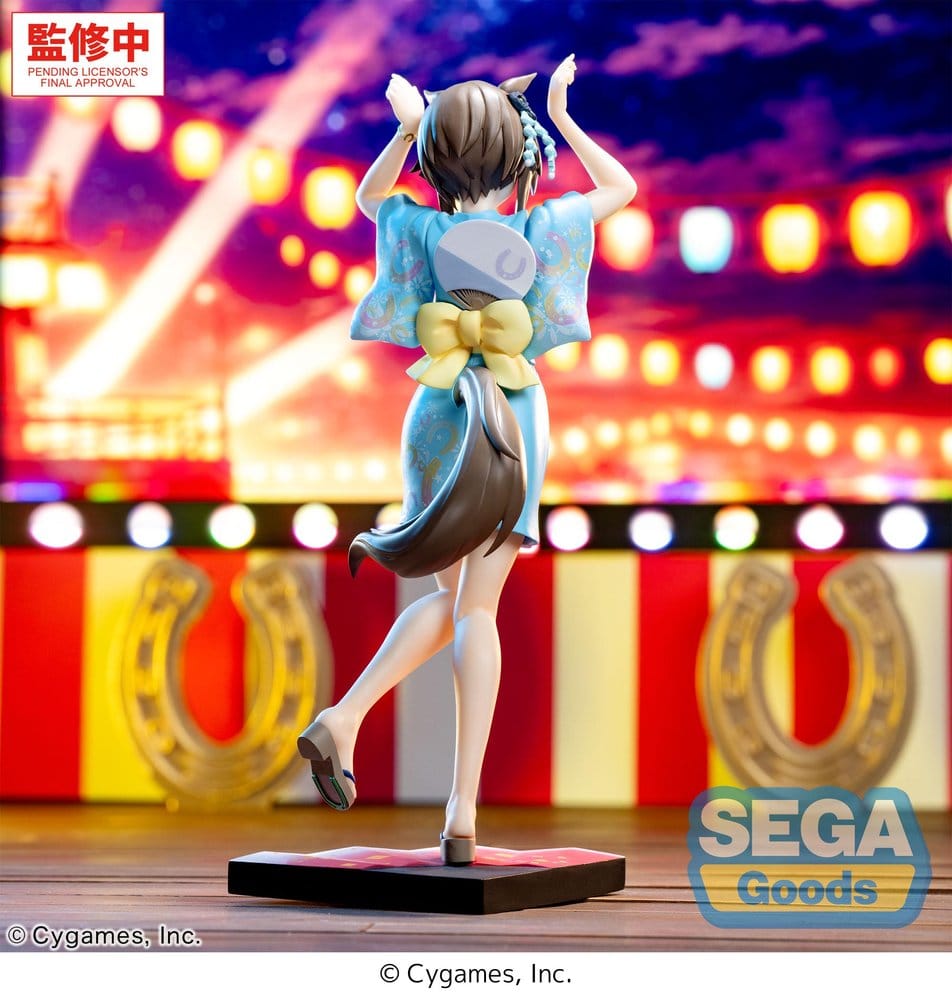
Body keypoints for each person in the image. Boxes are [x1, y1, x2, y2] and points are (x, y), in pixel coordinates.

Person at [298, 55, 636, 864]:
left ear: (433, 157)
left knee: (451, 598)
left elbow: (369, 199)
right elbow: (619, 189)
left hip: (437, 409)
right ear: (519, 152)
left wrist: (404, 130)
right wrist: (563, 115)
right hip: (511, 407)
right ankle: (463, 812)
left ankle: (344, 717)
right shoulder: (540, 229)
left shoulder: (417, 228)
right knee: (476, 610)